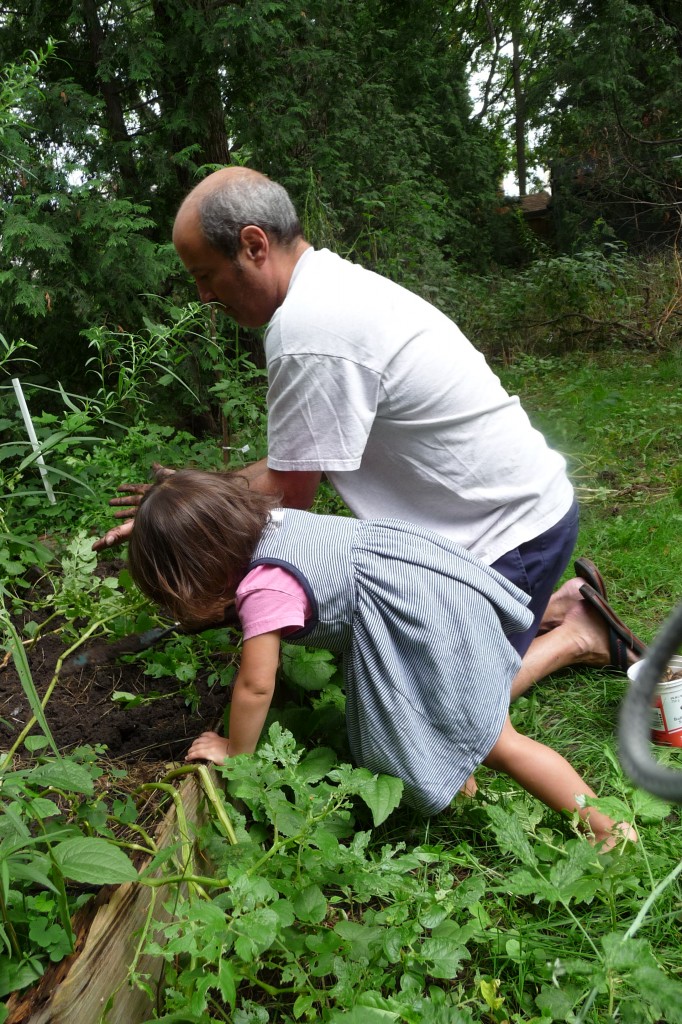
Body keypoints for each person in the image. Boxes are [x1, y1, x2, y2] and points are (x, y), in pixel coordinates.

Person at [94, 166, 646, 697]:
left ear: (254, 246)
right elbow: (294, 464)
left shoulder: (307, 330)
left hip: (505, 540)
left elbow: (288, 501)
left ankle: (579, 634)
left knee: (430, 717)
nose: (205, 298)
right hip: (524, 514)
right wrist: (185, 497)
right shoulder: (328, 285)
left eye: (204, 276)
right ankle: (550, 604)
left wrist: (188, 522)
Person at [127, 468, 634, 848]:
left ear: (195, 572)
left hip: (421, 623)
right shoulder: (272, 525)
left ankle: (610, 830)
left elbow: (255, 686)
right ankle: (460, 780)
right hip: (428, 589)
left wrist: (236, 751)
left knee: (501, 742)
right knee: (450, 717)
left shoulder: (264, 588)